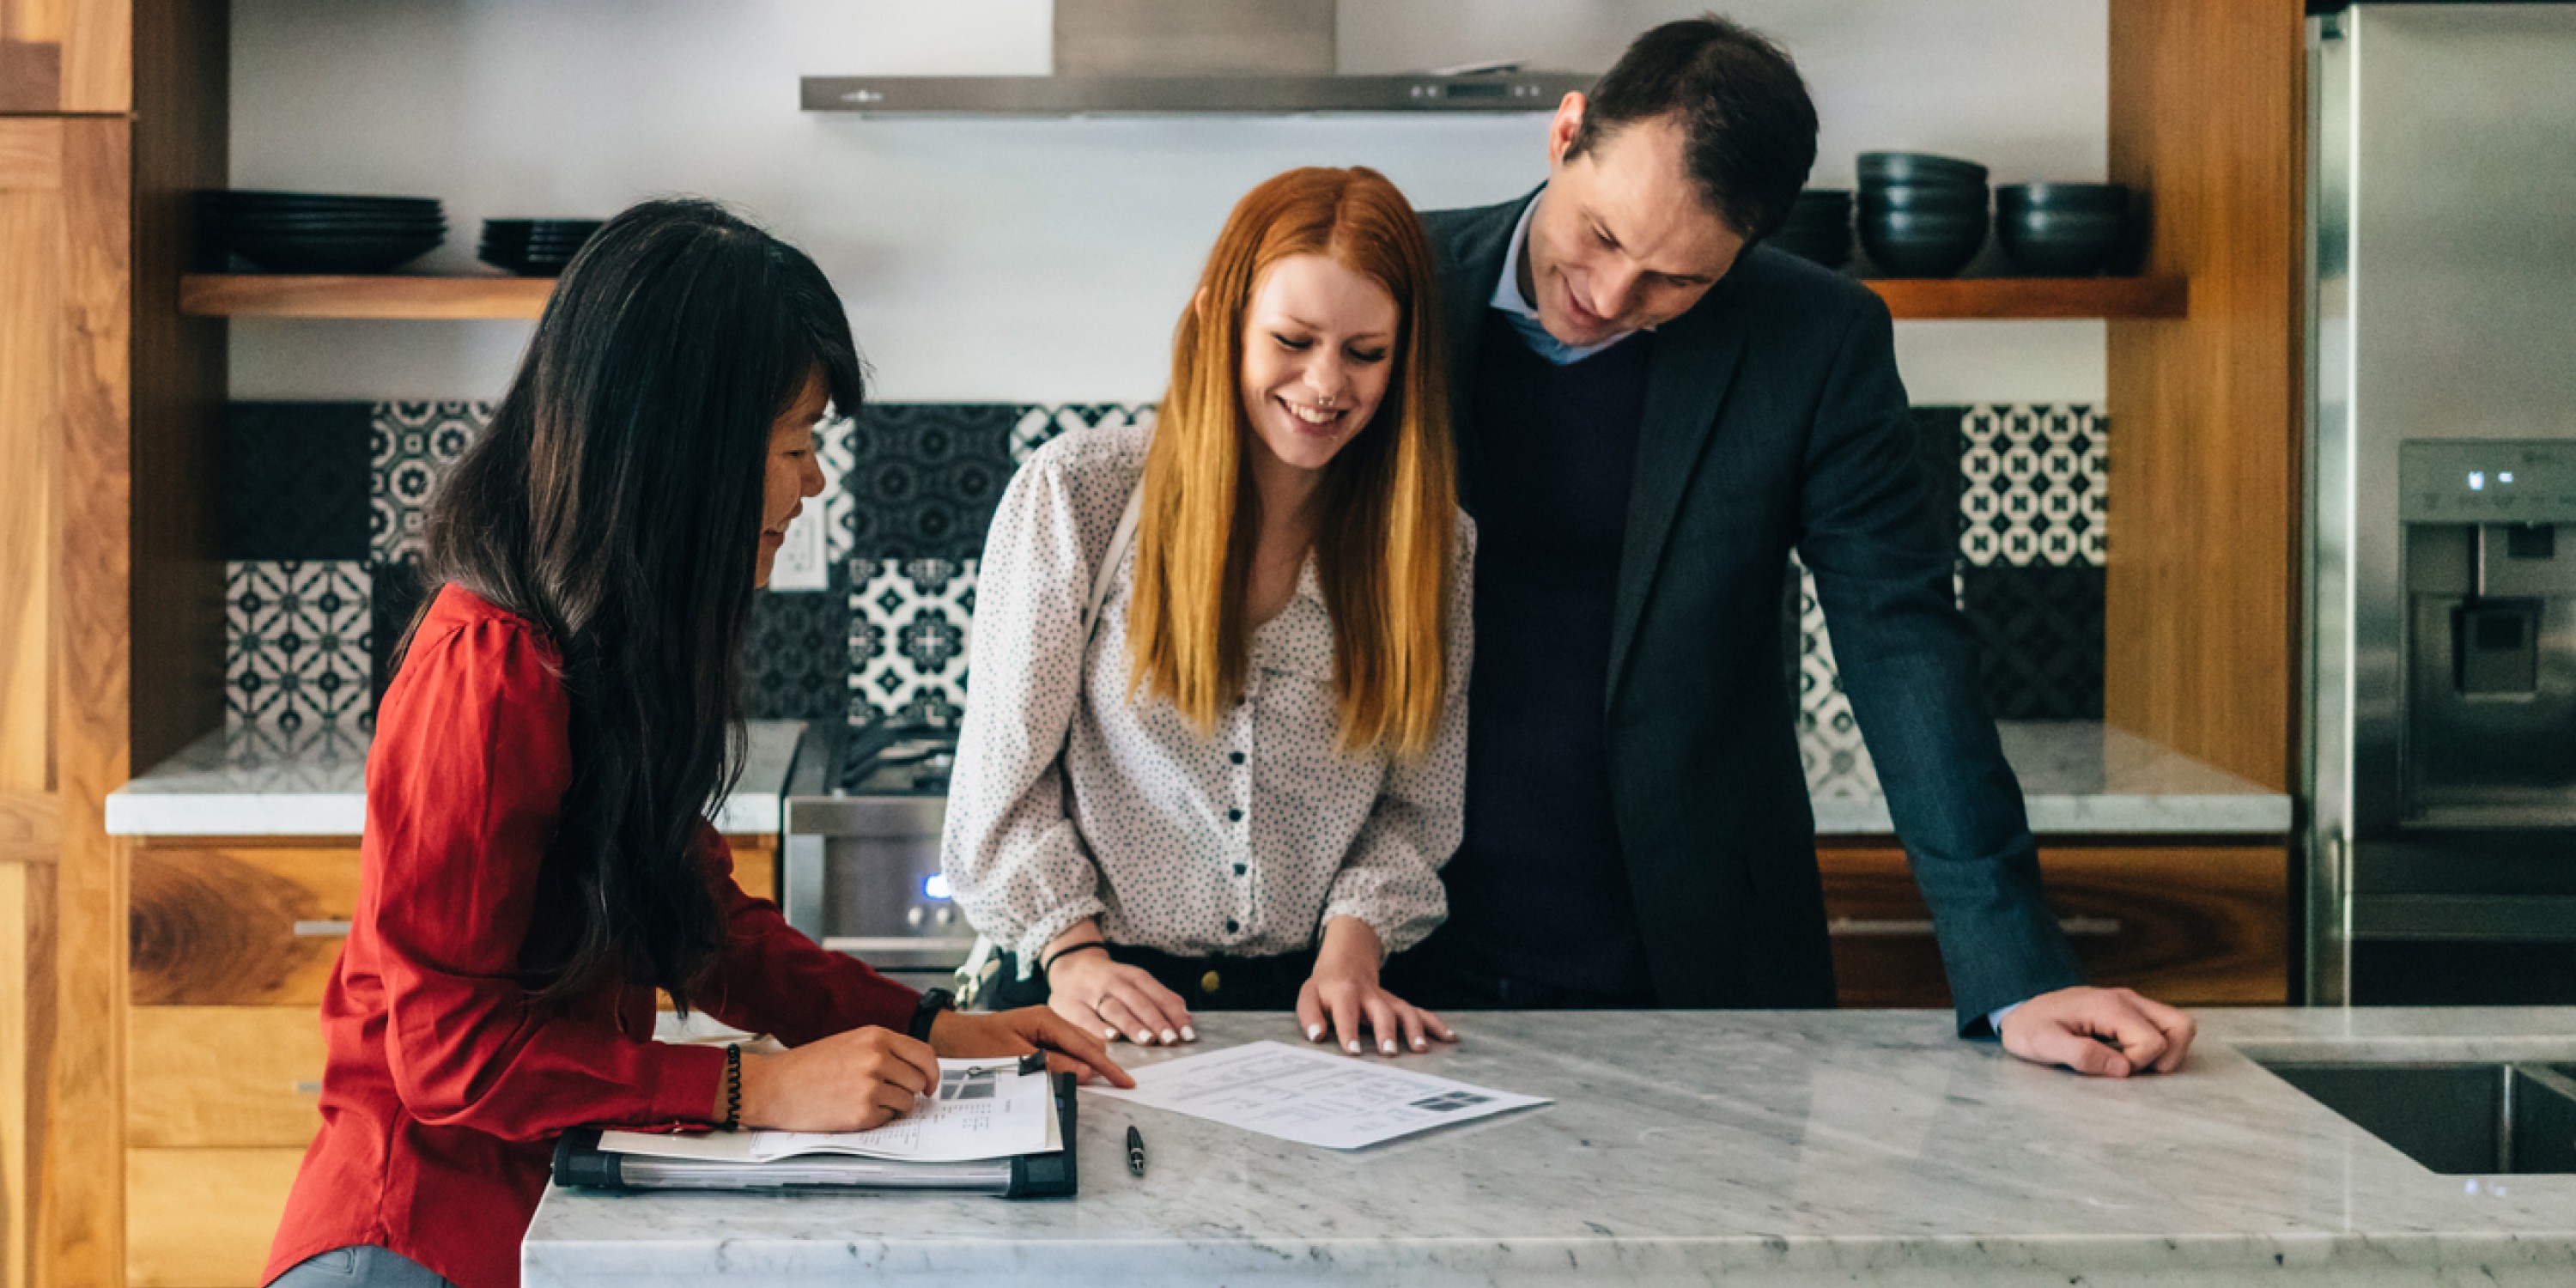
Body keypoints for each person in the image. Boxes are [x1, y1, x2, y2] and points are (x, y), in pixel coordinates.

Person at [263, 200, 1128, 1288]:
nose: (814, 484)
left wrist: (934, 1025)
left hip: (546, 1201)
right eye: (796, 444)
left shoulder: (606, 646)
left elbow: (701, 927)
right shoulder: (490, 674)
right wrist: (749, 1089)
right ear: (686, 452)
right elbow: (448, 1054)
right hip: (418, 1236)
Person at [1381, 16, 2199, 1078]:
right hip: (1387, 953)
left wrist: (2017, 970)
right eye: (1605, 236)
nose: (1615, 299)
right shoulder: (1389, 285)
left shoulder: (1815, 342)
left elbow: (1900, 643)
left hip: (1698, 960)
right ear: (1567, 134)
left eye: (1681, 282)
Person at [943, 167, 1473, 1058]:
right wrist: (1072, 951)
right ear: (1216, 321)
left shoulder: (1433, 545)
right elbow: (1001, 785)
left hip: (1313, 1010)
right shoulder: (1080, 492)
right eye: (1293, 340)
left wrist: (1354, 949)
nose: (1325, 383)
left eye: (1366, 353)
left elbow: (1419, 806)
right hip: (1077, 992)